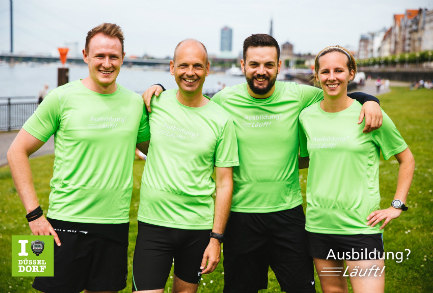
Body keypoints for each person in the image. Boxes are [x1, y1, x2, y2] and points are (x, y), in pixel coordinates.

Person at [142, 34, 382, 293]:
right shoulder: (224, 101)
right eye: (254, 64)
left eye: (269, 64)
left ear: (279, 66)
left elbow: (336, 90)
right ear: (243, 65)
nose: (261, 71)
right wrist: (159, 88)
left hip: (287, 214)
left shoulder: (300, 95)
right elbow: (192, 106)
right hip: (241, 217)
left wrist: (369, 99)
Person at [7, 23, 150, 293]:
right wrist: (34, 216)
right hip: (62, 223)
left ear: (122, 58)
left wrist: (160, 89)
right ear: (85, 55)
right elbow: (16, 151)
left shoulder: (134, 104)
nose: (106, 63)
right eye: (99, 56)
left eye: (113, 57)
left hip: (115, 225)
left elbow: (159, 150)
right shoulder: (60, 98)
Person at [299, 45, 415, 293]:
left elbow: (407, 159)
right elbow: (306, 159)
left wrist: (397, 205)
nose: (332, 77)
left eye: (339, 70)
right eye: (326, 71)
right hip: (320, 226)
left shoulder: (371, 114)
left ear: (351, 74)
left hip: (360, 227)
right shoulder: (306, 117)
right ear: (317, 75)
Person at [132, 39, 239, 293]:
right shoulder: (153, 104)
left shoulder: (222, 120)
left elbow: (225, 183)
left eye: (197, 66)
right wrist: (154, 87)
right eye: (183, 65)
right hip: (154, 224)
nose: (190, 72)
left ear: (207, 69)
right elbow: (145, 146)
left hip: (197, 228)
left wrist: (216, 239)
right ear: (172, 67)